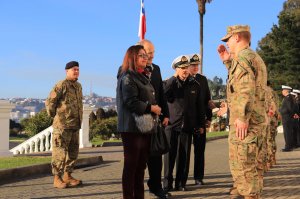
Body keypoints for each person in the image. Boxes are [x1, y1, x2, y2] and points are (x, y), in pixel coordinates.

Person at [217, 25, 268, 199]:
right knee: (253, 168)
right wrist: (228, 62)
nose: (227, 43)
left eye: (228, 39)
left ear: (237, 37)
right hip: (256, 122)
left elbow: (245, 89)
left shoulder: (243, 58)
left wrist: (241, 117)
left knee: (244, 169)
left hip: (247, 124)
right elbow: (244, 84)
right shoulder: (252, 57)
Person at [116, 45, 162, 199]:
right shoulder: (127, 76)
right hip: (131, 128)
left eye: (145, 55)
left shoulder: (142, 75)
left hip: (144, 127)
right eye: (141, 55)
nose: (145, 57)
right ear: (132, 58)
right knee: (131, 167)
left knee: (140, 167)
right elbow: (131, 102)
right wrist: (152, 108)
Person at [163, 55, 206, 192]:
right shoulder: (170, 84)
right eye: (181, 68)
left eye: (186, 67)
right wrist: (174, 78)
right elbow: (163, 94)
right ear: (176, 69)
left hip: (187, 126)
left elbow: (199, 107)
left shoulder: (195, 85)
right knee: (169, 157)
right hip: (171, 126)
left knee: (184, 157)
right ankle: (167, 185)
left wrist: (201, 125)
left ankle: (181, 183)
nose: (185, 70)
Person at [138, 39, 170, 199]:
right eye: (148, 52)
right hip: (139, 120)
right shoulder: (130, 69)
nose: (151, 55)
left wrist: (166, 115)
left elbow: (161, 93)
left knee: (156, 155)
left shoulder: (156, 69)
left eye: (153, 52)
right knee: (140, 157)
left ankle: (156, 187)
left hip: (156, 119)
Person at [45, 61, 83, 189]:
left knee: (73, 153)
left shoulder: (78, 86)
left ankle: (68, 176)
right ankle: (57, 179)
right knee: (59, 153)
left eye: (78, 69)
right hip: (62, 126)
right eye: (74, 69)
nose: (76, 71)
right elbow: (50, 101)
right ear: (67, 71)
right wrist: (55, 116)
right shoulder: (61, 85)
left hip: (74, 126)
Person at [187, 54, 212, 186]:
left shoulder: (202, 80)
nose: (196, 67)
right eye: (193, 65)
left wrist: (209, 118)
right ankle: (182, 179)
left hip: (200, 120)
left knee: (199, 150)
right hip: (186, 121)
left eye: (197, 65)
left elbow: (208, 99)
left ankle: (198, 177)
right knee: (184, 152)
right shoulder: (184, 78)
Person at [279, 85, 294, 152]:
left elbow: (289, 108)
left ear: (285, 91)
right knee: (288, 132)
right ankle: (289, 146)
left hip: (287, 117)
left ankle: (288, 147)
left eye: (283, 90)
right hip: (287, 117)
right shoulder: (288, 97)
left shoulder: (288, 98)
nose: (282, 91)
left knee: (287, 133)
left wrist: (282, 111)